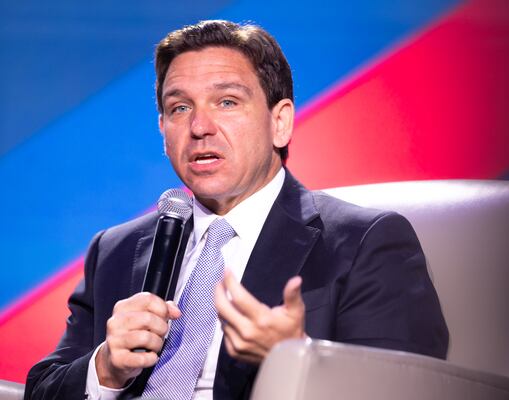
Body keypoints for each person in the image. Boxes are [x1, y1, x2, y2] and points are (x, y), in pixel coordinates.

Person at [25, 20, 448, 400]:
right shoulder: (116, 249)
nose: (199, 127)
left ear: (280, 122)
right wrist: (106, 368)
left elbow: (407, 391)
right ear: (163, 130)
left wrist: (297, 359)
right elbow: (41, 390)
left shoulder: (365, 242)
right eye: (180, 108)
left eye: (227, 102)